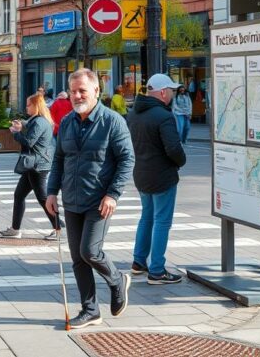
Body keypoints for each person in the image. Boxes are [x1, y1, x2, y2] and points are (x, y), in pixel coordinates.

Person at [45, 68, 134, 328]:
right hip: (71, 199)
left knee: (90, 251)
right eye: (73, 91)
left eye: (82, 90)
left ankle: (117, 279)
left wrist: (113, 194)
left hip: (99, 200)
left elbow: (127, 160)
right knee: (77, 258)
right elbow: (59, 159)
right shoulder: (69, 123)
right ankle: (90, 309)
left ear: (96, 90)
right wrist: (52, 191)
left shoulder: (112, 121)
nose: (76, 95)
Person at [128, 73, 187, 285]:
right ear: (163, 93)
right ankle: (157, 270)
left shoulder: (135, 113)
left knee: (147, 217)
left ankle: (138, 262)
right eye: (171, 91)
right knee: (162, 221)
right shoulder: (163, 116)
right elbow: (173, 148)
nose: (172, 94)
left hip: (142, 173)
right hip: (162, 176)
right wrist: (181, 161)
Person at [1, 93, 58, 240]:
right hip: (34, 164)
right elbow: (29, 124)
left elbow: (29, 142)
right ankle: (15, 229)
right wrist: (22, 124)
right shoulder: (38, 120)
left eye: (28, 104)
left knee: (43, 198)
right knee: (19, 195)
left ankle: (59, 228)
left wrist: (16, 133)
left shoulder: (39, 122)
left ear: (36, 106)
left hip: (38, 166)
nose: (26, 107)